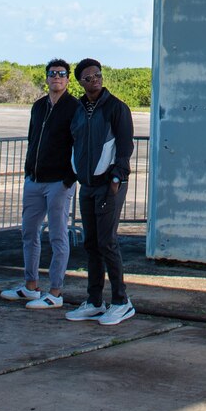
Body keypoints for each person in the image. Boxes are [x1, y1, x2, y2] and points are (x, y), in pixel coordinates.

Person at [65, 59, 135, 325]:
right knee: (91, 244)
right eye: (88, 77)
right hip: (88, 186)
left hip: (109, 186)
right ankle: (94, 301)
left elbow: (125, 147)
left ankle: (121, 301)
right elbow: (75, 142)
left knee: (107, 243)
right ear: (81, 83)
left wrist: (116, 180)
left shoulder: (116, 108)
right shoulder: (80, 109)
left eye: (97, 75)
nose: (94, 79)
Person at [2, 59, 77, 309]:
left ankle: (55, 292)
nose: (56, 77)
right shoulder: (38, 107)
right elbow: (33, 138)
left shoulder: (73, 108)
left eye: (61, 74)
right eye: (52, 73)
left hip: (59, 182)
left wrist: (69, 178)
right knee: (29, 232)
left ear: (67, 79)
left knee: (57, 236)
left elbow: (79, 145)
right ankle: (31, 286)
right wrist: (28, 171)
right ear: (46, 78)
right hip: (34, 180)